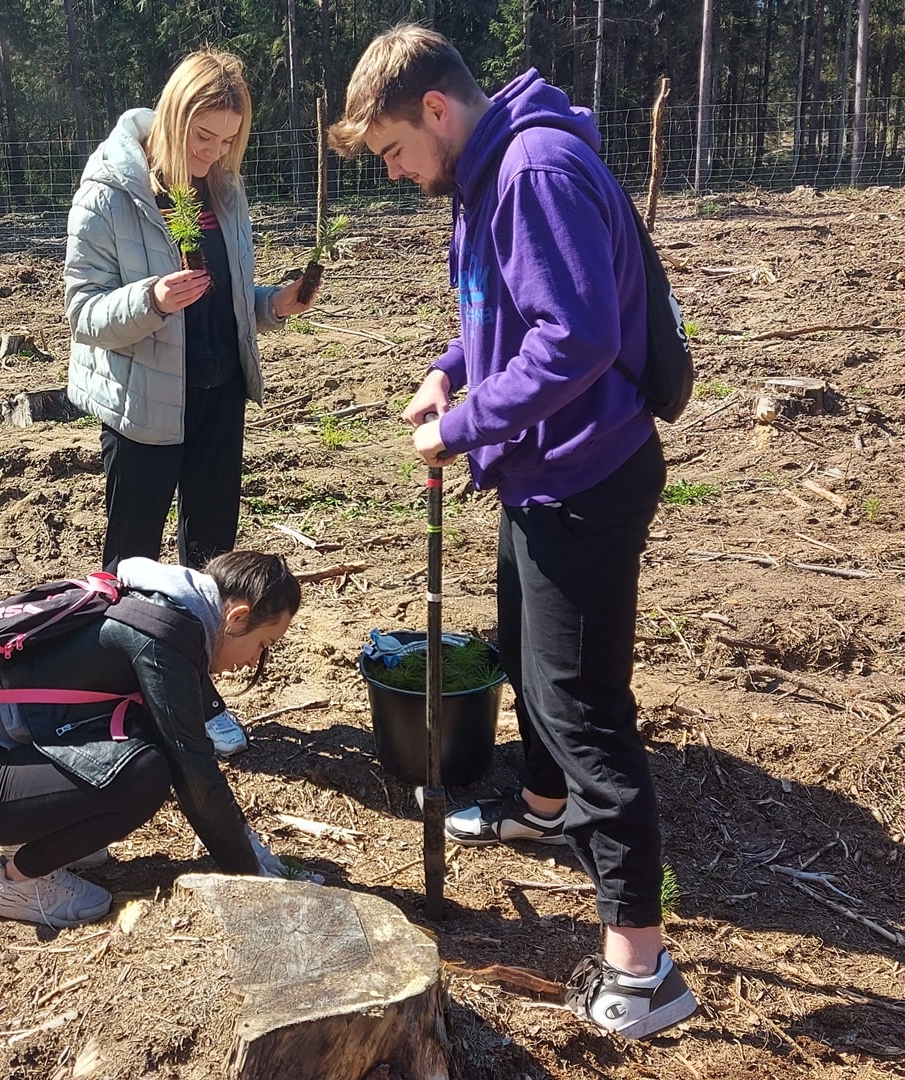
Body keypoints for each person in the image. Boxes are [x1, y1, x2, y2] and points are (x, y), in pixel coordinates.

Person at [330, 27, 695, 1040]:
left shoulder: (533, 171)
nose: (396, 174)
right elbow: (508, 310)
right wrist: (449, 369)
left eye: (394, 151)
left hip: (586, 478)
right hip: (541, 474)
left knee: (584, 706)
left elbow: (576, 337)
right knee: (527, 655)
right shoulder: (486, 174)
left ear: (435, 110)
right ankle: (542, 807)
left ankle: (643, 966)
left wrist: (462, 428)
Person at [64, 49, 315, 756]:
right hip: (145, 404)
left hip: (218, 394)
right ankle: (117, 691)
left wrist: (273, 305)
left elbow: (227, 298)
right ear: (173, 118)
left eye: (228, 140)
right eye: (203, 137)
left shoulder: (222, 191)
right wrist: (151, 298)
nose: (213, 153)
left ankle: (194, 692)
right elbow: (82, 311)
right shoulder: (111, 191)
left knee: (211, 557)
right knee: (133, 560)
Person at [0, 551, 303, 929]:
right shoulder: (164, 636)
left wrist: (246, 844)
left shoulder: (162, 606)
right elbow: (192, 767)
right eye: (263, 644)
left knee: (141, 741)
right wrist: (248, 868)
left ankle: (29, 835)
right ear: (237, 617)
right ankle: (18, 882)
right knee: (143, 776)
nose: (252, 661)